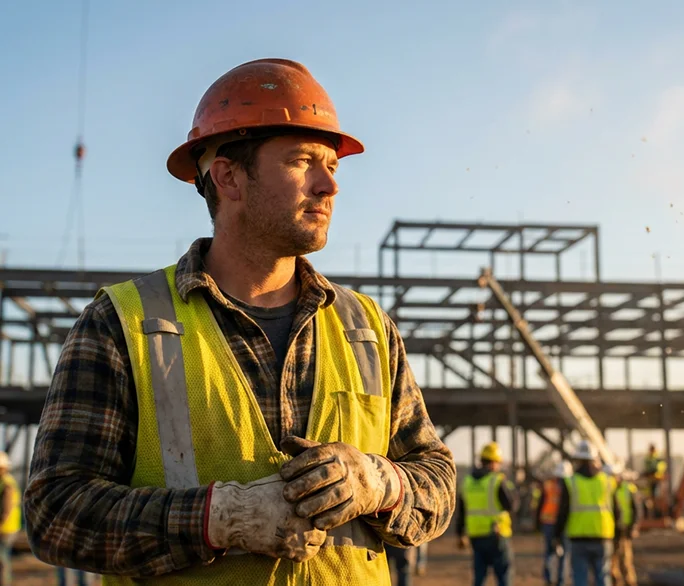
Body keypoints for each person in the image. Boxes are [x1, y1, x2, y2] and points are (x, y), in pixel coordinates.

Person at [23, 58, 457, 585]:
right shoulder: (124, 323)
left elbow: (436, 482)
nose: (328, 186)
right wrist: (216, 520)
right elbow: (56, 513)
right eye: (302, 161)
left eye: (333, 166)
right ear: (228, 176)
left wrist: (378, 482)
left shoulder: (366, 328)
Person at [554, 440, 618, 586]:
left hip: (578, 538)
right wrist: (619, 534)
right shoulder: (607, 481)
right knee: (603, 577)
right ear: (594, 459)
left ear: (577, 459)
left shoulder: (571, 482)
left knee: (580, 579)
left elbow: (563, 512)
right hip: (603, 536)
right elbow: (616, 510)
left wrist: (557, 535)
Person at [458, 442, 518, 586]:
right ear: (493, 463)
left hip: (475, 535)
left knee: (479, 576)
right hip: (496, 534)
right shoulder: (496, 480)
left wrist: (460, 533)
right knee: (504, 576)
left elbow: (461, 511)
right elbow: (512, 505)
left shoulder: (467, 482)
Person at [537, 461, 570, 586]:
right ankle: (560, 580)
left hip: (548, 523)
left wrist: (537, 524)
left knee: (549, 552)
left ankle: (549, 579)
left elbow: (540, 505)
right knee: (563, 553)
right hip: (564, 524)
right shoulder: (571, 486)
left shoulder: (548, 485)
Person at [611, 470, 640, 586]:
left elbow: (637, 510)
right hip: (612, 531)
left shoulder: (630, 489)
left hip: (625, 529)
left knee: (626, 560)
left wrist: (634, 527)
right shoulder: (610, 489)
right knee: (613, 562)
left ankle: (630, 582)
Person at [0, 452, 20, 586]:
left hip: (5, 529)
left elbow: (5, 510)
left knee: (2, 560)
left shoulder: (6, 484)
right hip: (7, 527)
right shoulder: (6, 481)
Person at [642, 444, 665, 518]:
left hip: (656, 480)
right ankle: (650, 515)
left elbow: (660, 468)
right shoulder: (649, 458)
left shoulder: (657, 458)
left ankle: (656, 514)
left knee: (655, 497)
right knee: (649, 496)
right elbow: (648, 468)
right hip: (651, 480)